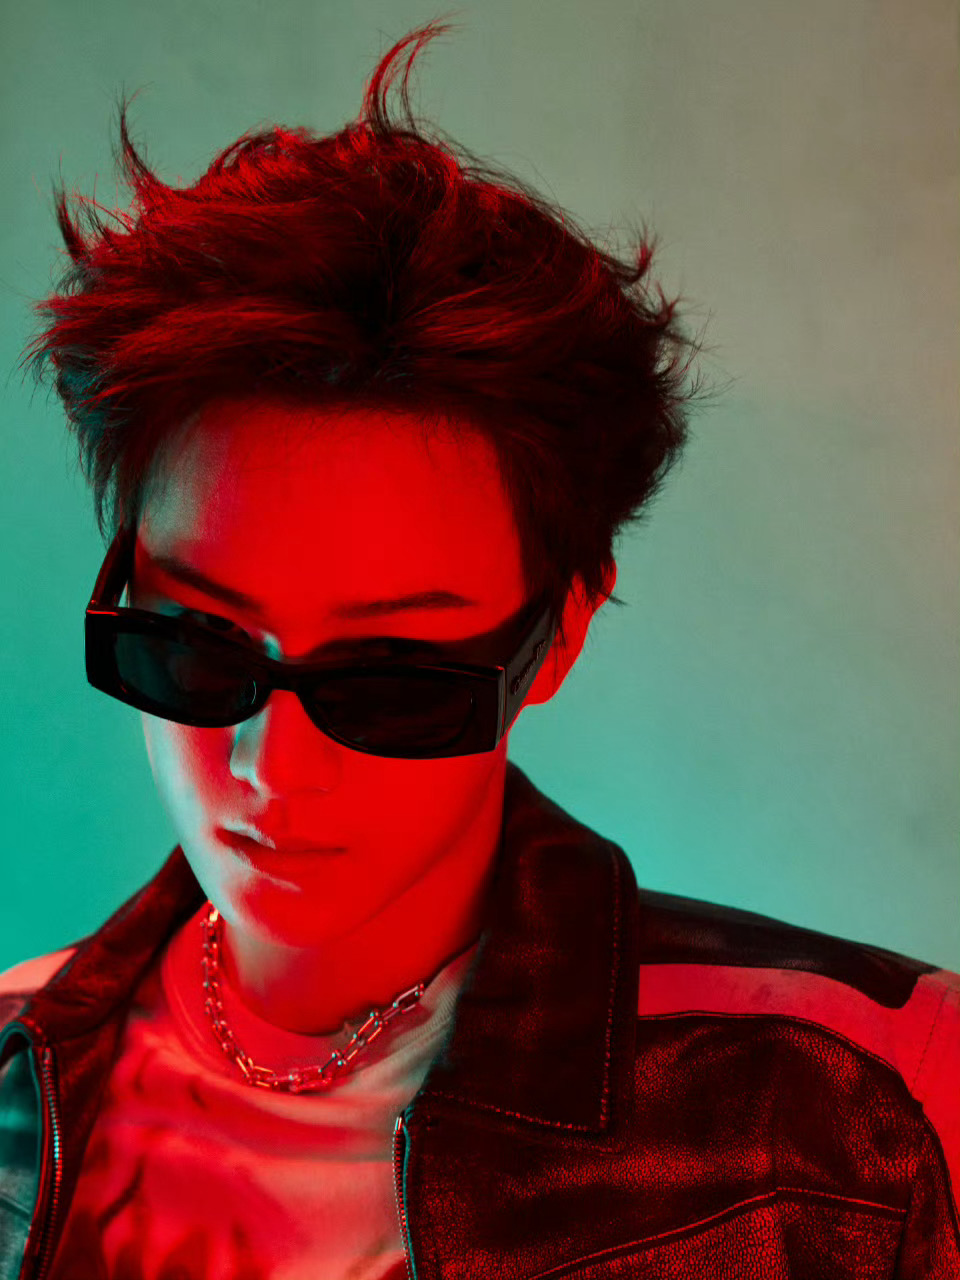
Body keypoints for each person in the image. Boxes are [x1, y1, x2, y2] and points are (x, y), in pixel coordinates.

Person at [1, 18, 956, 1280]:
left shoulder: (871, 1100)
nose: (273, 765)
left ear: (558, 635)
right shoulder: (18, 1064)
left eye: (392, 682)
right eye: (194, 651)